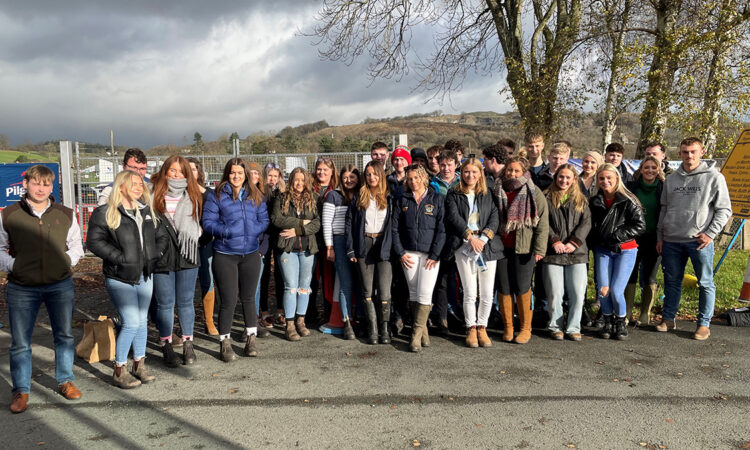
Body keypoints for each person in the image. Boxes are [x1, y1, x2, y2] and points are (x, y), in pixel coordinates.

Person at [0, 165, 85, 413]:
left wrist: (65, 261)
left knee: (64, 336)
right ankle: (21, 391)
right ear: (25, 184)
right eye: (36, 183)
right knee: (20, 343)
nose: (41, 189)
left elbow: (77, 246)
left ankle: (65, 381)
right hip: (22, 287)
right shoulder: (9, 214)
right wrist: (14, 266)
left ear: (52, 186)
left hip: (59, 284)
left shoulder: (65, 214)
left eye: (46, 184)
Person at [86, 170, 163, 388]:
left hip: (145, 275)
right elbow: (94, 242)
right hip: (120, 277)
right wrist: (120, 258)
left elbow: (161, 237)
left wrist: (155, 255)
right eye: (134, 184)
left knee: (142, 322)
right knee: (131, 322)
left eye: (141, 184)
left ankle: (139, 364)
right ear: (121, 186)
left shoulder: (146, 211)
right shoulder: (105, 212)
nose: (139, 187)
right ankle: (119, 369)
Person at [656, 138, 732, 340]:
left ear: (702, 152)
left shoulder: (714, 177)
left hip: (699, 241)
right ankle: (668, 318)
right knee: (672, 282)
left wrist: (710, 233)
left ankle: (703, 324)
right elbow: (664, 208)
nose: (689, 156)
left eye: (693, 152)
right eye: (684, 152)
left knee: (705, 282)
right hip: (672, 240)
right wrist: (660, 235)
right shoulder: (671, 180)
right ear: (679, 154)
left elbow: (724, 209)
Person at [202, 158, 269, 361]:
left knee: (249, 298)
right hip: (225, 255)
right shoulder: (216, 196)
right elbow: (208, 222)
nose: (236, 176)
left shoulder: (255, 195)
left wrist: (252, 231)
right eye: (233, 172)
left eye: (240, 172)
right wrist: (228, 231)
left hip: (250, 254)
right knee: (229, 301)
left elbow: (264, 220)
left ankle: (251, 339)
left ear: (246, 174)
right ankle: (225, 342)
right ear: (227, 174)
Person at [150, 155, 203, 367]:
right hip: (162, 257)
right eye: (172, 170)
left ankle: (188, 343)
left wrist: (193, 234)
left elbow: (199, 223)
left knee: (186, 301)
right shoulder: (153, 194)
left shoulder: (194, 194)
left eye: (181, 171)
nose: (177, 175)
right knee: (164, 304)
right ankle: (167, 344)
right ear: (165, 171)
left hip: (187, 255)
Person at [445, 158, 503, 348]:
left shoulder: (487, 193)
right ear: (462, 173)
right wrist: (470, 238)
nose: (470, 175)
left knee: (486, 292)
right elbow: (453, 217)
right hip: (464, 246)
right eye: (467, 172)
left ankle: (482, 327)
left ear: (480, 174)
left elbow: (495, 216)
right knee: (470, 291)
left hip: (487, 247)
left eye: (474, 172)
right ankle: (470, 327)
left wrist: (484, 238)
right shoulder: (454, 193)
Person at [493, 156, 549, 344]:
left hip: (524, 248)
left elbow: (542, 225)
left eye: (517, 171)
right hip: (500, 246)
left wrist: (540, 249)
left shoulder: (534, 192)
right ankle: (508, 326)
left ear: (524, 172)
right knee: (504, 287)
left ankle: (525, 328)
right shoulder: (496, 189)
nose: (512, 174)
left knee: (523, 287)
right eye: (509, 170)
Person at [392, 164, 446, 352]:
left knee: (425, 293)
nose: (413, 181)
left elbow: (442, 230)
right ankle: (422, 331)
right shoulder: (402, 199)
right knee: (414, 293)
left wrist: (435, 254)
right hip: (409, 254)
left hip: (430, 256)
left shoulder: (437, 199)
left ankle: (415, 336)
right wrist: (400, 252)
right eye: (410, 178)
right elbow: (394, 229)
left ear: (424, 178)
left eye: (416, 178)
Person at [589, 163, 645, 340]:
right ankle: (607, 320)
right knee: (603, 289)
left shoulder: (628, 200)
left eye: (609, 178)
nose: (605, 181)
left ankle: (620, 321)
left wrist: (617, 235)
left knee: (616, 290)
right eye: (601, 178)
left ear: (617, 179)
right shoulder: (595, 201)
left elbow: (640, 225)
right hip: (603, 250)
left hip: (625, 250)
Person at [346, 161, 394, 345]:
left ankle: (384, 328)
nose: (371, 177)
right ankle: (372, 328)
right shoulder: (360, 196)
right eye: (367, 174)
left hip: (383, 244)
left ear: (381, 175)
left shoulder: (389, 197)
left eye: (374, 174)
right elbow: (349, 223)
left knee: (384, 290)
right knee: (367, 290)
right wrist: (351, 248)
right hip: (364, 243)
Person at [542, 164, 591, 341]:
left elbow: (586, 223)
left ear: (574, 179)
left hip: (576, 253)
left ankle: (573, 327)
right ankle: (555, 326)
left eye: (568, 177)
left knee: (577, 293)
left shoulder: (581, 199)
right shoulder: (545, 197)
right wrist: (554, 240)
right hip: (553, 252)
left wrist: (574, 242)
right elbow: (542, 223)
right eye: (561, 177)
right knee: (555, 292)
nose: (564, 180)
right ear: (556, 178)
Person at [271, 167, 321, 341]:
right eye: (296, 180)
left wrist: (298, 230)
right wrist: (301, 222)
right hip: (287, 248)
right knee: (290, 286)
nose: (299, 183)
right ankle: (290, 324)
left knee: (304, 287)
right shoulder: (282, 198)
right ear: (291, 180)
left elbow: (317, 224)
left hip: (308, 249)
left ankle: (301, 321)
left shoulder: (314, 199)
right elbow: (277, 219)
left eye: (302, 180)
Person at [624, 156, 664, 326]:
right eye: (646, 167)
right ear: (640, 169)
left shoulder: (663, 188)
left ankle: (644, 315)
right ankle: (626, 313)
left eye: (653, 168)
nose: (649, 171)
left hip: (654, 238)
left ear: (658, 170)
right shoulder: (632, 187)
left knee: (649, 275)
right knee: (630, 274)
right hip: (633, 237)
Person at [322, 164, 361, 340]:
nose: (349, 180)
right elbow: (327, 223)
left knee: (361, 283)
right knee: (345, 282)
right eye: (345, 177)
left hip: (359, 242)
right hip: (339, 241)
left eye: (352, 177)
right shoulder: (334, 196)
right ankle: (346, 321)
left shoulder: (362, 196)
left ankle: (361, 318)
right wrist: (329, 247)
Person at [187, 157, 218, 336]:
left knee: (208, 281)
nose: (191, 172)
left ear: (199, 172)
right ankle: (188, 323)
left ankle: (209, 321)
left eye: (194, 169)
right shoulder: (178, 192)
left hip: (205, 243)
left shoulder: (209, 194)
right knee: (187, 285)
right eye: (187, 169)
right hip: (185, 245)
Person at [259, 163, 287, 328]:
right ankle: (263, 312)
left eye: (276, 176)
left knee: (280, 274)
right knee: (263, 275)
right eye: (270, 175)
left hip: (279, 237)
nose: (272, 179)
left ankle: (280, 311)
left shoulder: (282, 194)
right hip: (263, 238)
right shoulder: (260, 193)